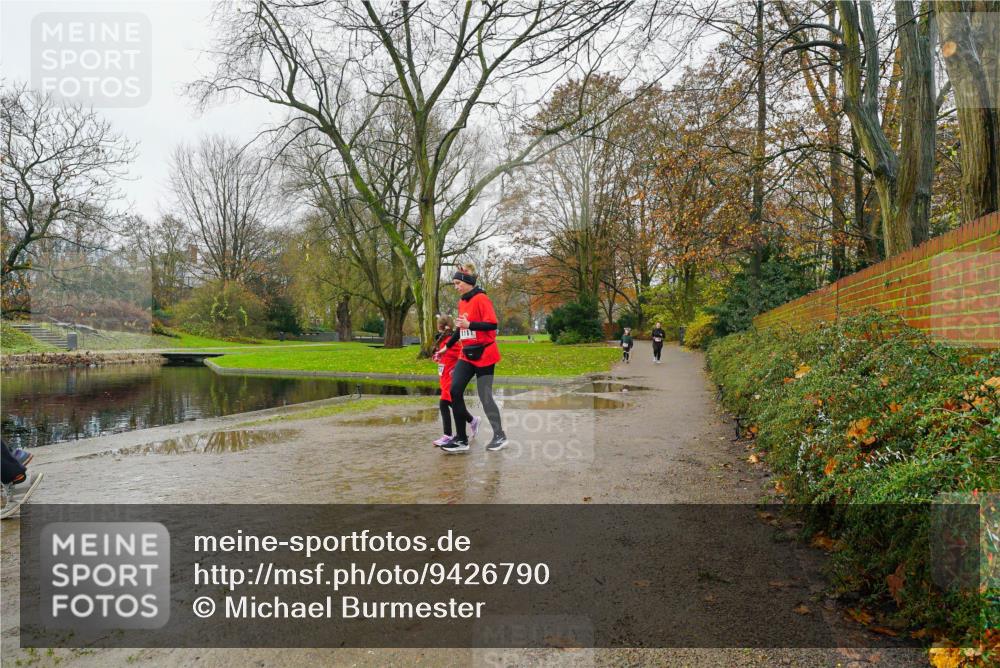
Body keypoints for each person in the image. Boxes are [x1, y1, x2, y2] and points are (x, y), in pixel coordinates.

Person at [440, 264, 507, 454]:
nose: (456, 286)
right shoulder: (463, 302)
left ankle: (499, 435)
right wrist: (447, 346)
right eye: (454, 283)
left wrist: (471, 324)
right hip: (466, 354)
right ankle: (461, 439)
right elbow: (462, 328)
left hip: (485, 354)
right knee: (454, 391)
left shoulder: (481, 299)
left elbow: (492, 324)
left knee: (485, 397)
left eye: (458, 283)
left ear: (468, 282)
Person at [431, 314, 479, 447]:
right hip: (444, 377)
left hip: (451, 379)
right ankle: (472, 420)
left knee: (443, 403)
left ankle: (447, 435)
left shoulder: (452, 342)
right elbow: (442, 356)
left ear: (439, 326)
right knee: (452, 404)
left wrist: (457, 369)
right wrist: (437, 358)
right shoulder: (442, 341)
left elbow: (461, 354)